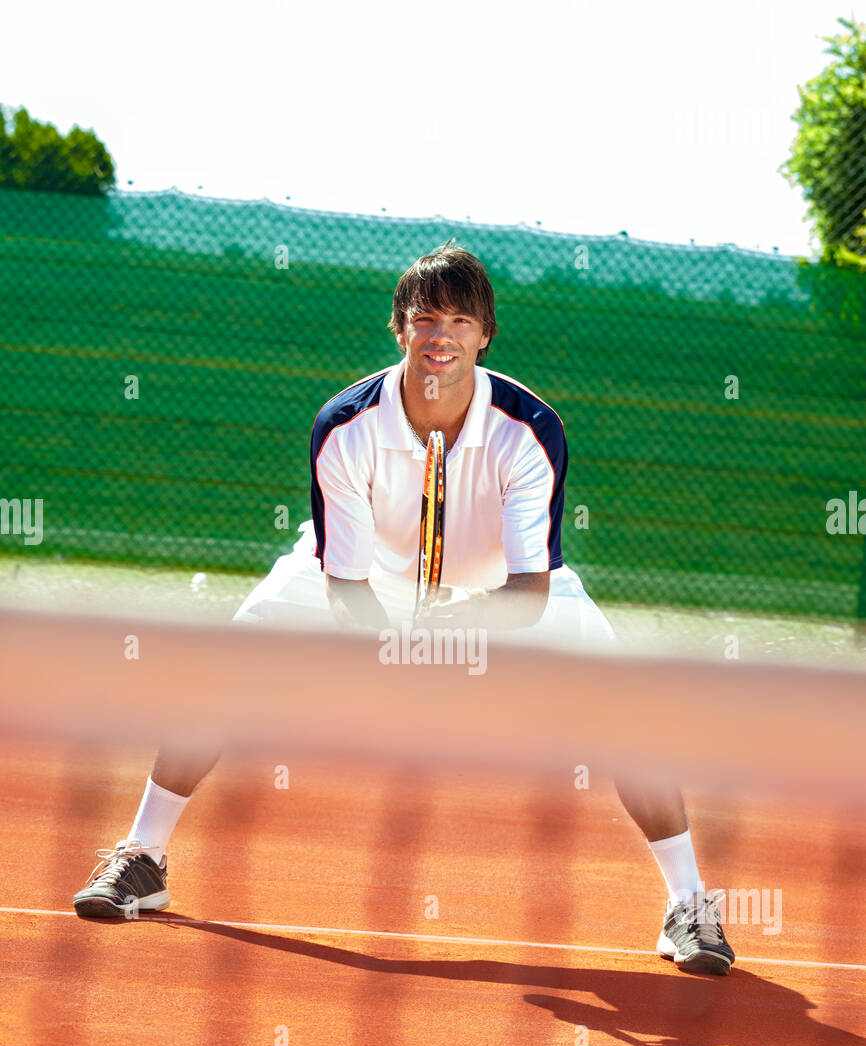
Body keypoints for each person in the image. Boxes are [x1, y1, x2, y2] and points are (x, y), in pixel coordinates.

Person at [73, 240, 734, 976]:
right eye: (424, 319)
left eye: (459, 319)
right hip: (363, 579)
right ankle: (143, 857)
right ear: (400, 329)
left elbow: (528, 594)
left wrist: (463, 628)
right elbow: (346, 589)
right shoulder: (345, 427)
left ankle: (690, 904)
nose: (440, 335)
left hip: (502, 590)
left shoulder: (530, 432)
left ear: (485, 334)